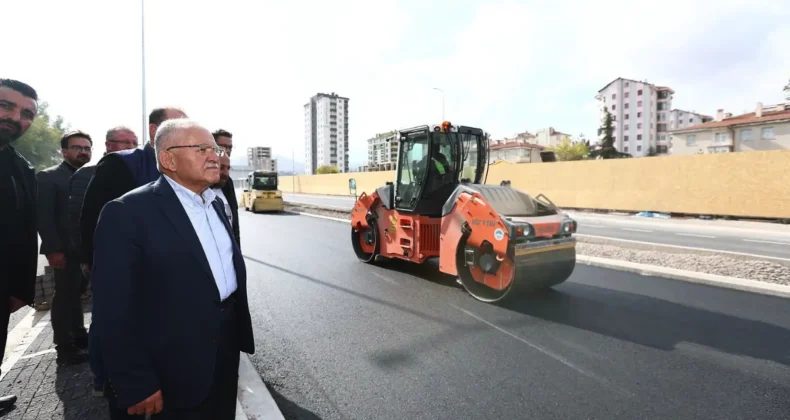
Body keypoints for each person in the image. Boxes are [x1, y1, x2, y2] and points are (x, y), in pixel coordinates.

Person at [91, 119, 254, 419]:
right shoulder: (127, 213)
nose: (215, 156)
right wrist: (135, 381)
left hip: (223, 354)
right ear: (168, 158)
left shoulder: (216, 205)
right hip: (169, 371)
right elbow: (112, 309)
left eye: (216, 149)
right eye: (202, 148)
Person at [66, 126, 138, 396]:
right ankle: (102, 376)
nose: (131, 146)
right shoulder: (88, 174)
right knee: (105, 318)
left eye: (134, 141)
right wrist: (88, 257)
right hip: (101, 257)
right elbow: (81, 219)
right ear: (108, 145)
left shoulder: (135, 170)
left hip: (127, 256)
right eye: (124, 142)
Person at [80, 107, 186, 269]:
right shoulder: (120, 163)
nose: (186, 131)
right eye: (178, 125)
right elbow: (94, 215)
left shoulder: (187, 167)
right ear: (154, 129)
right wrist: (91, 260)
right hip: (131, 266)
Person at [37, 130, 94, 365]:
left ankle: (80, 336)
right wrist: (53, 250)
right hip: (64, 250)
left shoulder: (91, 176)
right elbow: (44, 217)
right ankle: (65, 347)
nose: (83, 152)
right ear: (64, 151)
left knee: (75, 296)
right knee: (64, 298)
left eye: (87, 148)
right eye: (77, 147)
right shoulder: (49, 177)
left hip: (84, 249)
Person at [0, 78, 40, 414]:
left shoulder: (20, 167)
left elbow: (26, 233)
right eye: (6, 105)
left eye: (26, 113)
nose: (16, 117)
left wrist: (19, 289)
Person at [212, 129, 240, 246]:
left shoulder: (228, 183)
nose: (227, 151)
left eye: (230, 147)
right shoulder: (198, 183)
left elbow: (234, 225)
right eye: (222, 146)